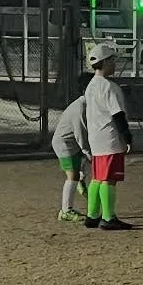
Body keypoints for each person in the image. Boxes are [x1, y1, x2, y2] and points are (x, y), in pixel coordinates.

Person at [83, 42, 134, 230]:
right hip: (109, 138)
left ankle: (92, 215)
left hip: (95, 138)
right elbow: (117, 114)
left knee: (97, 177)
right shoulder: (109, 86)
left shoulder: (91, 86)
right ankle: (108, 217)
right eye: (112, 60)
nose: (115, 64)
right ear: (105, 62)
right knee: (109, 179)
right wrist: (126, 136)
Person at [52, 93, 89, 222]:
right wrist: (88, 152)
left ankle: (80, 181)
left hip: (73, 143)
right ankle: (66, 211)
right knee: (72, 176)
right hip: (65, 144)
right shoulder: (80, 107)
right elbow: (81, 134)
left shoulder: (86, 105)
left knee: (78, 171)